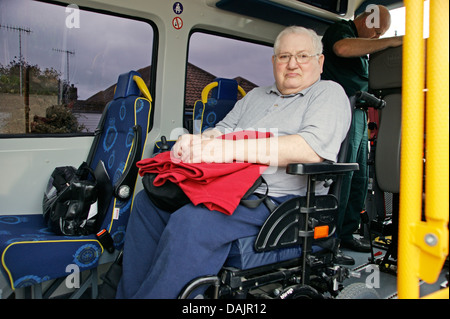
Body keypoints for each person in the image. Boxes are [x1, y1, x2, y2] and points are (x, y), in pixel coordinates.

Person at [116, 26, 351, 299]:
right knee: (147, 203)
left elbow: (310, 149)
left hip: (276, 200)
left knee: (192, 222)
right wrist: (199, 141)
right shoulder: (256, 96)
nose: (292, 64)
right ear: (274, 62)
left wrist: (227, 150)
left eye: (303, 56)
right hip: (226, 185)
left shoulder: (328, 93)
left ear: (320, 62)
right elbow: (223, 129)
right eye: (284, 56)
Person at [321, 5, 403, 252]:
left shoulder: (365, 52)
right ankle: (329, 240)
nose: (377, 37)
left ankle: (347, 233)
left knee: (358, 177)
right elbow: (342, 48)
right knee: (343, 176)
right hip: (341, 108)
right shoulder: (341, 30)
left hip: (360, 111)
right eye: (377, 31)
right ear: (367, 19)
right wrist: (392, 41)